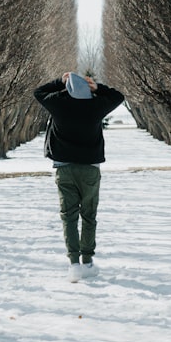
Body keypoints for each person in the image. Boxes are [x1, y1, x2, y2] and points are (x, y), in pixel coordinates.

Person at [34, 71, 125, 282]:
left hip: (64, 168)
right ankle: (88, 262)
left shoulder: (59, 104)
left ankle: (74, 264)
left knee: (69, 216)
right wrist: (97, 87)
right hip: (90, 169)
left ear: (68, 89)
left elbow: (38, 92)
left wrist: (60, 81)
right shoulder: (96, 106)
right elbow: (118, 96)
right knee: (89, 216)